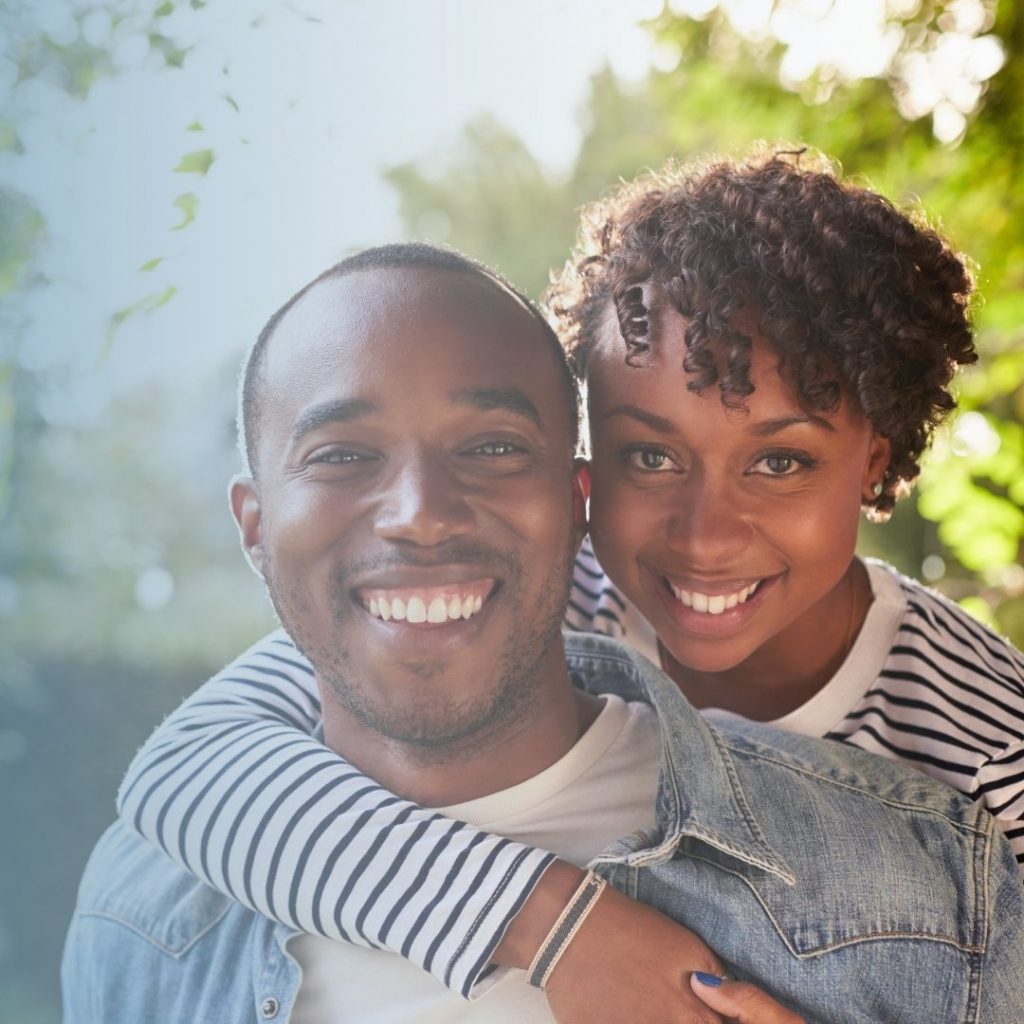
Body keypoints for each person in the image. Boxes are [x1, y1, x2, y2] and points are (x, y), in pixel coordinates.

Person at [101, 150, 1024, 1008]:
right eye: (650, 457)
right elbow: (188, 767)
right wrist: (556, 924)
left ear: (875, 462)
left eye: (779, 463)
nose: (705, 539)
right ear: (585, 475)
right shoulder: (552, 589)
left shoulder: (985, 742)